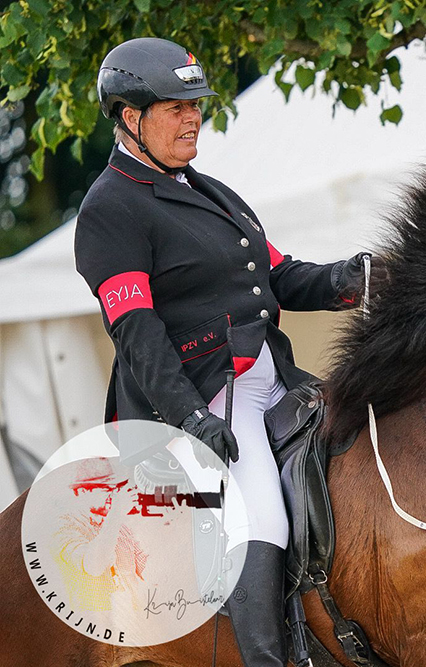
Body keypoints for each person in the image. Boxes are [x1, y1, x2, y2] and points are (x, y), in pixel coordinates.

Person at [74, 37, 384, 665]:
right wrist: (189, 416)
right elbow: (136, 331)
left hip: (272, 376)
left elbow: (279, 276)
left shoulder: (209, 189)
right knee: (263, 519)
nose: (192, 117)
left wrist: (355, 278)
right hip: (206, 398)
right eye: (173, 106)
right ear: (129, 118)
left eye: (195, 104)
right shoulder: (109, 209)